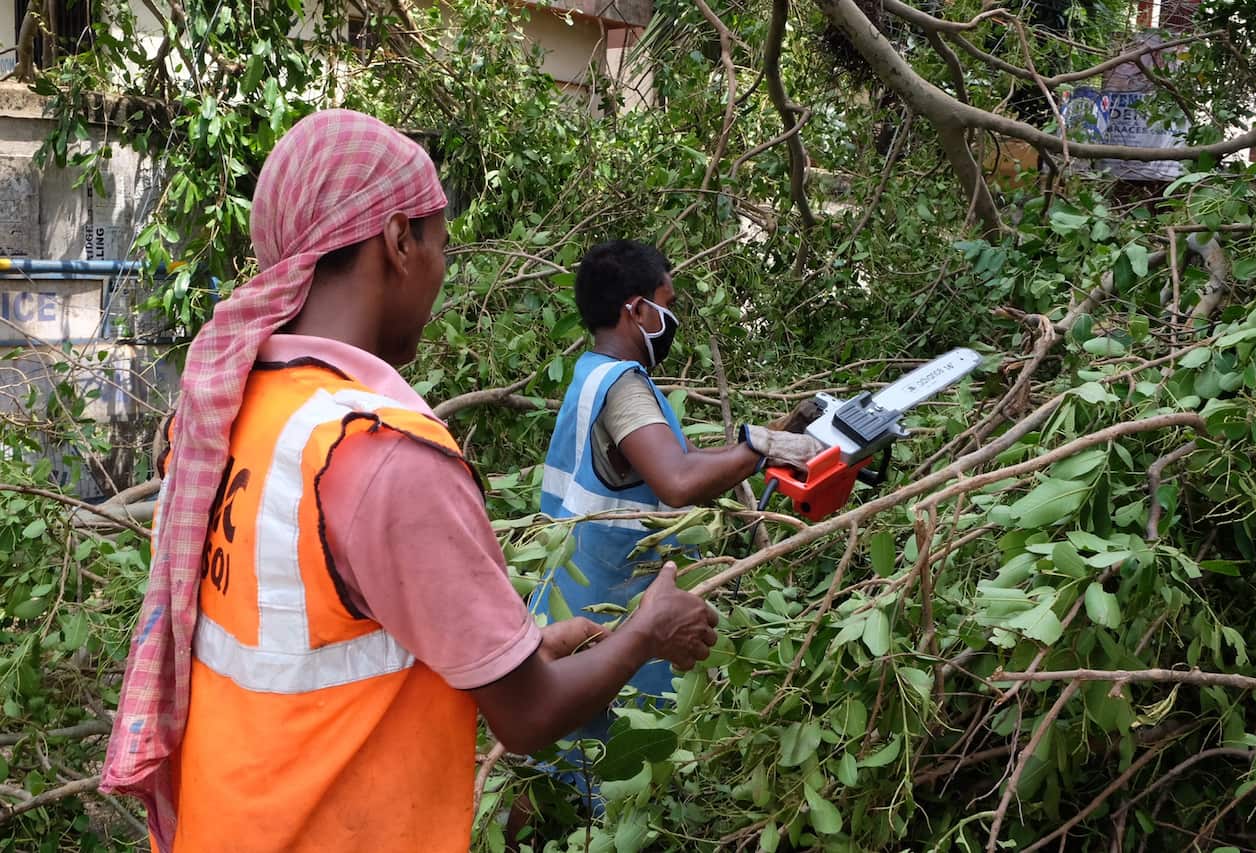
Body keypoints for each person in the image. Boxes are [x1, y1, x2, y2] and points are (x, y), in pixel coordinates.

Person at [99, 111, 718, 853]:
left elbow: (324, 629)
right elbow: (528, 717)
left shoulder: (229, 413)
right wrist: (647, 630)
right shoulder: (381, 454)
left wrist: (520, 643)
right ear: (398, 241)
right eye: (440, 245)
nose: (441, 270)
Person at [528, 239, 822, 787]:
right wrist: (759, 450)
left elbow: (675, 461)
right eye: (668, 303)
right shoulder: (624, 389)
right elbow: (679, 480)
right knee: (615, 772)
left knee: (560, 768)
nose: (673, 318)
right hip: (614, 609)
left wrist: (762, 449)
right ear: (636, 309)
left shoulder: (591, 374)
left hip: (567, 602)